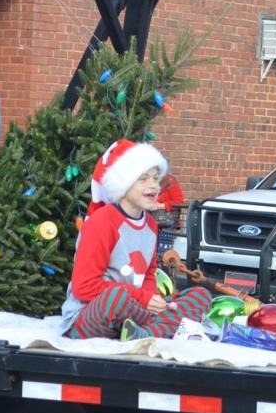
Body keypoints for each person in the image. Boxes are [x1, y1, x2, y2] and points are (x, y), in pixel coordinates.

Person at [63, 139, 211, 340]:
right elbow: (84, 287)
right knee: (116, 299)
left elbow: (149, 273)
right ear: (123, 183)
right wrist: (142, 298)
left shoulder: (150, 225)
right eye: (143, 178)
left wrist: (154, 300)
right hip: (92, 313)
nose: (153, 185)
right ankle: (158, 328)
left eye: (156, 178)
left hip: (135, 310)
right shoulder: (101, 222)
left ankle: (142, 333)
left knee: (200, 295)